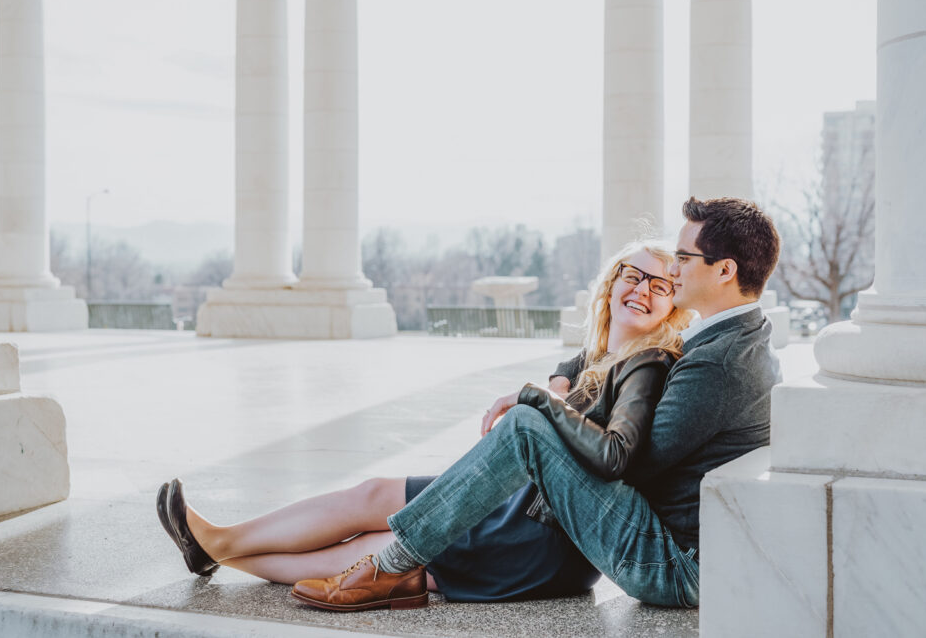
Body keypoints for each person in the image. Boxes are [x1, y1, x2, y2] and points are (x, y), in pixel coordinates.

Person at [290, 196, 782, 612]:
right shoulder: (739, 337)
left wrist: (541, 408)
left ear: (725, 270)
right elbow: (602, 361)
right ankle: (404, 559)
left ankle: (393, 567)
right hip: (682, 550)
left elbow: (629, 463)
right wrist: (563, 384)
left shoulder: (719, 361)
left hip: (669, 565)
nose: (673, 269)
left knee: (526, 424)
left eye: (684, 258)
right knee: (530, 424)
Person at [156, 241, 693, 603]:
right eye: (633, 276)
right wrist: (556, 387)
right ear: (611, 284)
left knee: (364, 547)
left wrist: (542, 398)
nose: (642, 290)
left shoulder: (647, 364)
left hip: (540, 538)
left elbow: (616, 451)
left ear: (673, 306)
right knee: (371, 494)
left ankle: (217, 549)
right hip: (514, 502)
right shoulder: (596, 356)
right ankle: (221, 542)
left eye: (659, 286)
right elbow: (568, 377)